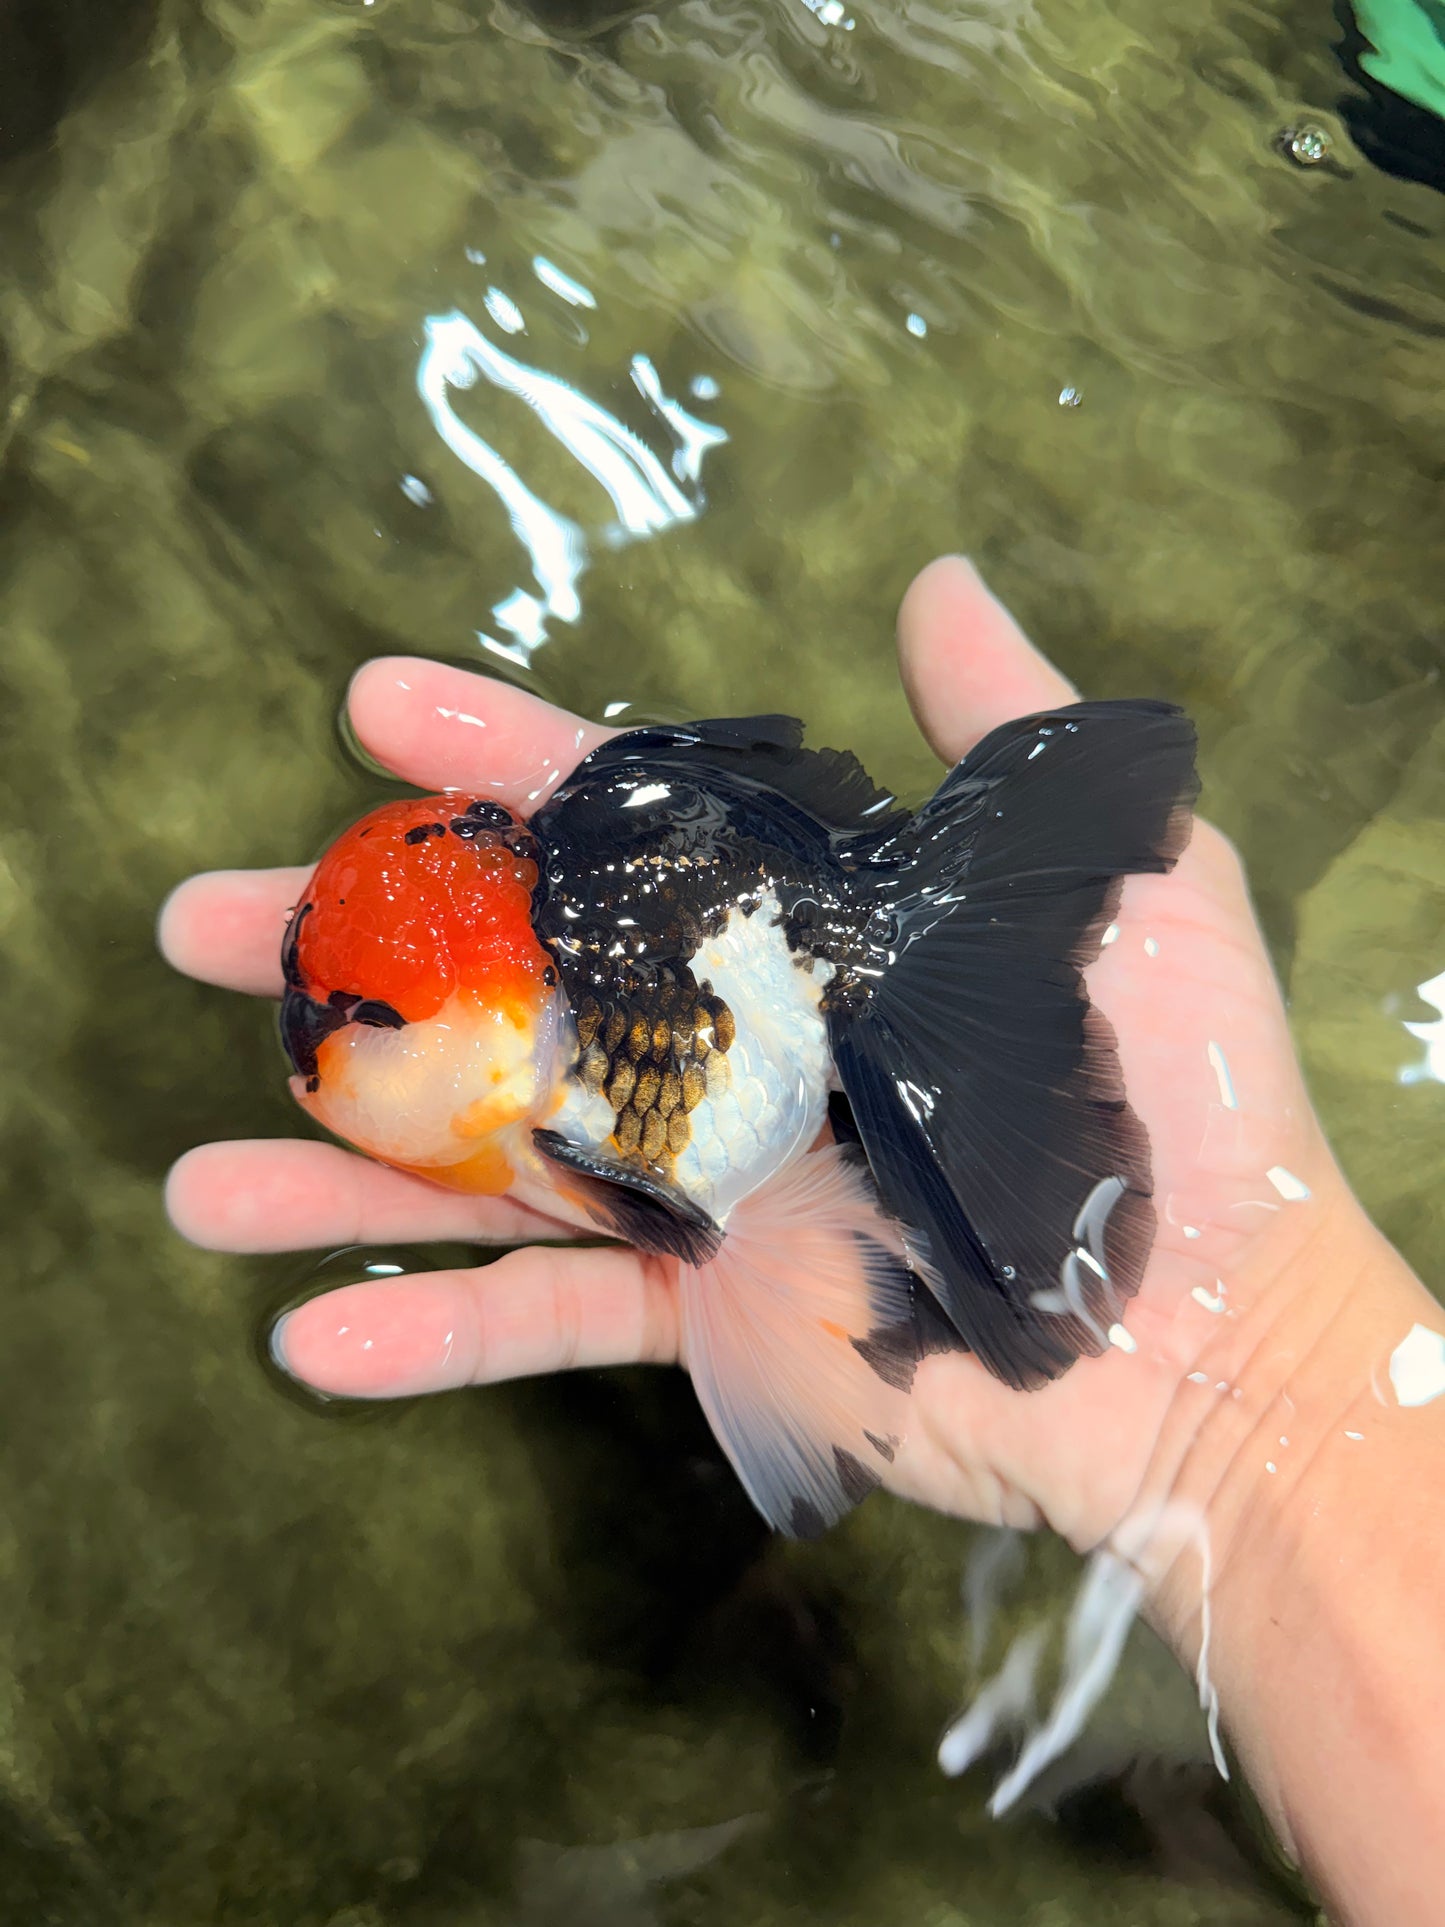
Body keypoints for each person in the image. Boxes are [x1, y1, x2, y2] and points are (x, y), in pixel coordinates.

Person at [159, 557, 1445, 1926]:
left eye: (365, 1019)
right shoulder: (525, 1039)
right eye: (322, 985)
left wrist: (1265, 1416)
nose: (308, 1034)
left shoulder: (566, 1110)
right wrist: (1269, 1439)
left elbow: (711, 1230)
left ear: (486, 1040)